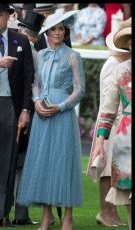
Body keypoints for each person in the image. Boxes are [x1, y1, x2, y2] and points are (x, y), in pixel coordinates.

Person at [17, 10, 85, 230]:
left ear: (65, 31)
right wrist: (36, 100)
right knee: (43, 162)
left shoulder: (73, 56)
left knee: (63, 161)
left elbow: (80, 89)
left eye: (61, 28)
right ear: (47, 32)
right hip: (42, 114)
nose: (58, 32)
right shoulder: (42, 55)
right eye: (54, 28)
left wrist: (62, 106)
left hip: (62, 113)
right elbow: (35, 82)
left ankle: (68, 217)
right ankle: (46, 217)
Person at [0, 3, 34, 227]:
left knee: (7, 162)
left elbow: (28, 78)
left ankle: (1, 214)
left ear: (8, 16)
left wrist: (25, 110)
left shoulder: (21, 40)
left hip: (12, 108)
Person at [87, 18, 131, 227]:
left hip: (122, 128)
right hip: (122, 130)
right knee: (122, 185)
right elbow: (107, 107)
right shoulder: (118, 68)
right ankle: (108, 213)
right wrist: (100, 142)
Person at [10, 11, 45, 226]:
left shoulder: (17, 49)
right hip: (25, 114)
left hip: (17, 112)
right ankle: (20, 214)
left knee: (12, 164)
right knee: (20, 165)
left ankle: (7, 211)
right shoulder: (35, 54)